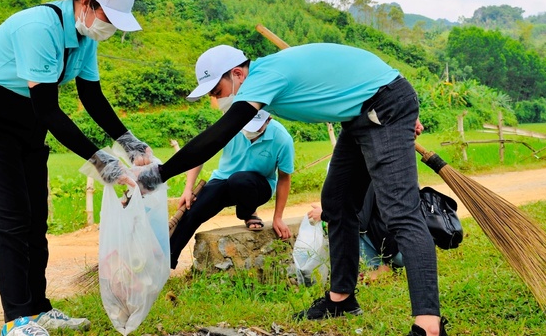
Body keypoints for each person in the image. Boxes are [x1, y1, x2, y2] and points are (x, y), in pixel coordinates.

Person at [136, 43, 448, 336]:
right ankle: (341, 300)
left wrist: (158, 174)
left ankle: (429, 325)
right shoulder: (265, 73)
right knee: (337, 202)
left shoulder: (263, 78)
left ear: (237, 74)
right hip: (359, 113)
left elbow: (217, 136)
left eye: (219, 91)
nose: (218, 100)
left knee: (400, 211)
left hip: (384, 104)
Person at [0, 0, 152, 336]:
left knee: (35, 219)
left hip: (27, 119)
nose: (109, 28)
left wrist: (127, 140)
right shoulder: (39, 28)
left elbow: (90, 95)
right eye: (109, 17)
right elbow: (49, 109)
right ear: (86, 3)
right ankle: (18, 319)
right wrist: (101, 160)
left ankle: (39, 308)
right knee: (11, 219)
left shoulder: (82, 36)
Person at [170, 107, 295, 269]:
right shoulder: (230, 126)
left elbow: (284, 178)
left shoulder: (282, 139)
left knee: (240, 180)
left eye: (255, 127)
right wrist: (188, 189)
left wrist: (278, 217)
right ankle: (168, 259)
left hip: (258, 187)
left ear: (268, 120)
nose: (249, 131)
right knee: (193, 211)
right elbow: (200, 153)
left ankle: (247, 212)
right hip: (223, 180)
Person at [308, 183, 405, 282]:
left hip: (401, 253)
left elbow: (359, 221)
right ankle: (383, 266)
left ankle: (379, 267)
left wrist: (326, 214)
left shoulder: (367, 179)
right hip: (411, 247)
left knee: (349, 223)